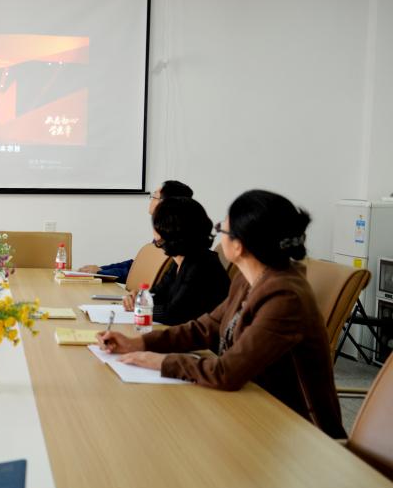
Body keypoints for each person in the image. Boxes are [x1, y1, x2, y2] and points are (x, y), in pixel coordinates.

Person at [97, 190, 345, 439]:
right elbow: (205, 328)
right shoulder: (249, 279)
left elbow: (227, 372)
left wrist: (160, 362)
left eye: (222, 229)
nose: (217, 235)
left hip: (296, 430)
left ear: (239, 245)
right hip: (252, 405)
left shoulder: (285, 296)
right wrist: (138, 343)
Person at [121, 196, 231, 325]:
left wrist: (140, 307)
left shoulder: (202, 265)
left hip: (203, 336)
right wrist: (138, 298)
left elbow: (174, 314)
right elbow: (158, 294)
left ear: (169, 229)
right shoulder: (180, 260)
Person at [79, 180, 194, 279]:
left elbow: (145, 272)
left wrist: (101, 272)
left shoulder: (174, 240)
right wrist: (101, 270)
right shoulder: (164, 233)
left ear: (165, 203)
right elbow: (139, 265)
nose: (151, 200)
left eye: (154, 196)